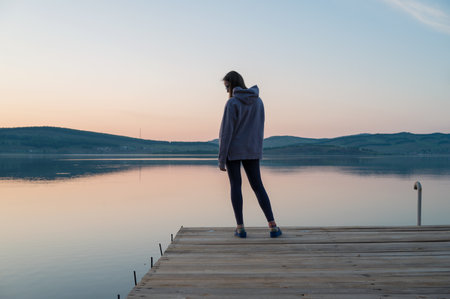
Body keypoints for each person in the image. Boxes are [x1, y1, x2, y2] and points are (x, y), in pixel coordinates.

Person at [218, 70, 282, 238]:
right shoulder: (258, 101)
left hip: (234, 151)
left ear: (232, 85)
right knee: (258, 186)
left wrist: (221, 159)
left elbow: (226, 132)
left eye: (226, 87)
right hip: (252, 150)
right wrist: (256, 148)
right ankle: (273, 226)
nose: (226, 91)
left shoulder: (232, 103)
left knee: (235, 186)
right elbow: (259, 127)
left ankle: (240, 228)